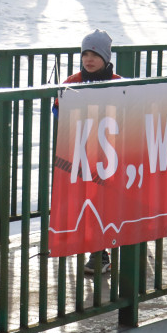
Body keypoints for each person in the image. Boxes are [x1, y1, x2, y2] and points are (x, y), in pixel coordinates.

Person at [53, 29, 122, 275]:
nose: (88, 59)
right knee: (86, 201)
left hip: (110, 156)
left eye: (94, 54)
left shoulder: (118, 83)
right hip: (80, 153)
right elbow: (58, 111)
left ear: (105, 57)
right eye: (85, 54)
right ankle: (98, 250)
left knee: (106, 202)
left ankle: (104, 250)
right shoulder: (72, 82)